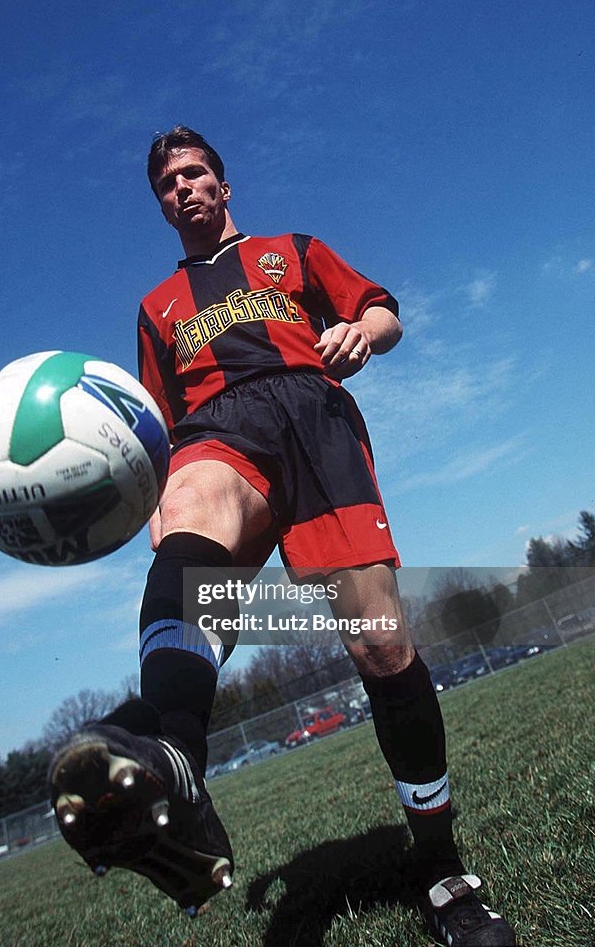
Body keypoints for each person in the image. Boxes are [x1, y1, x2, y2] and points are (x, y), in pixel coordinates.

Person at [49, 126, 516, 946]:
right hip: (217, 433)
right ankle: (177, 765)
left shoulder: (292, 251)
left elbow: (385, 314)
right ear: (160, 205)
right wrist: (159, 493)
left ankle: (443, 873)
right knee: (190, 533)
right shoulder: (158, 308)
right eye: (168, 184)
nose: (183, 189)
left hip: (317, 421)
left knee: (381, 650)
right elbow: (158, 423)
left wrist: (359, 334)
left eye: (195, 175)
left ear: (224, 187)